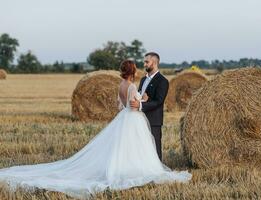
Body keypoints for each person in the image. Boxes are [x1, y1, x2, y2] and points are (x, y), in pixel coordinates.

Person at [0, 60, 192, 199]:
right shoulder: (133, 85)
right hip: (133, 118)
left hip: (124, 117)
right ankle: (132, 170)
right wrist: (144, 100)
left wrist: (138, 101)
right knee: (135, 146)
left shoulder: (121, 85)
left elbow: (120, 106)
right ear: (133, 71)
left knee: (122, 146)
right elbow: (134, 103)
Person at [130, 52, 168, 161]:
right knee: (142, 147)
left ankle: (158, 172)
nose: (144, 64)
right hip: (140, 119)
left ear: (155, 62)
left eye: (147, 62)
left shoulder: (162, 81)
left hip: (154, 120)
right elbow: (140, 95)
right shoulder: (143, 80)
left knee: (155, 147)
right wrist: (139, 99)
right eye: (144, 62)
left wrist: (141, 104)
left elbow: (159, 101)